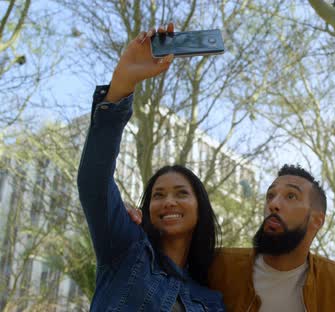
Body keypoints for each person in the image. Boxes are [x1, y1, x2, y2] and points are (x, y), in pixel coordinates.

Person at [77, 23, 225, 311]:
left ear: (200, 207)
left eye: (181, 193)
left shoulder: (211, 301)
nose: (168, 201)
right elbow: (94, 182)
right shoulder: (126, 249)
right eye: (157, 195)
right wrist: (123, 82)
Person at [129, 165, 335, 311]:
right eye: (270, 196)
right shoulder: (220, 265)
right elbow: (159, 270)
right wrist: (134, 222)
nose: (274, 204)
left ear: (316, 220)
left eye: (291, 197)